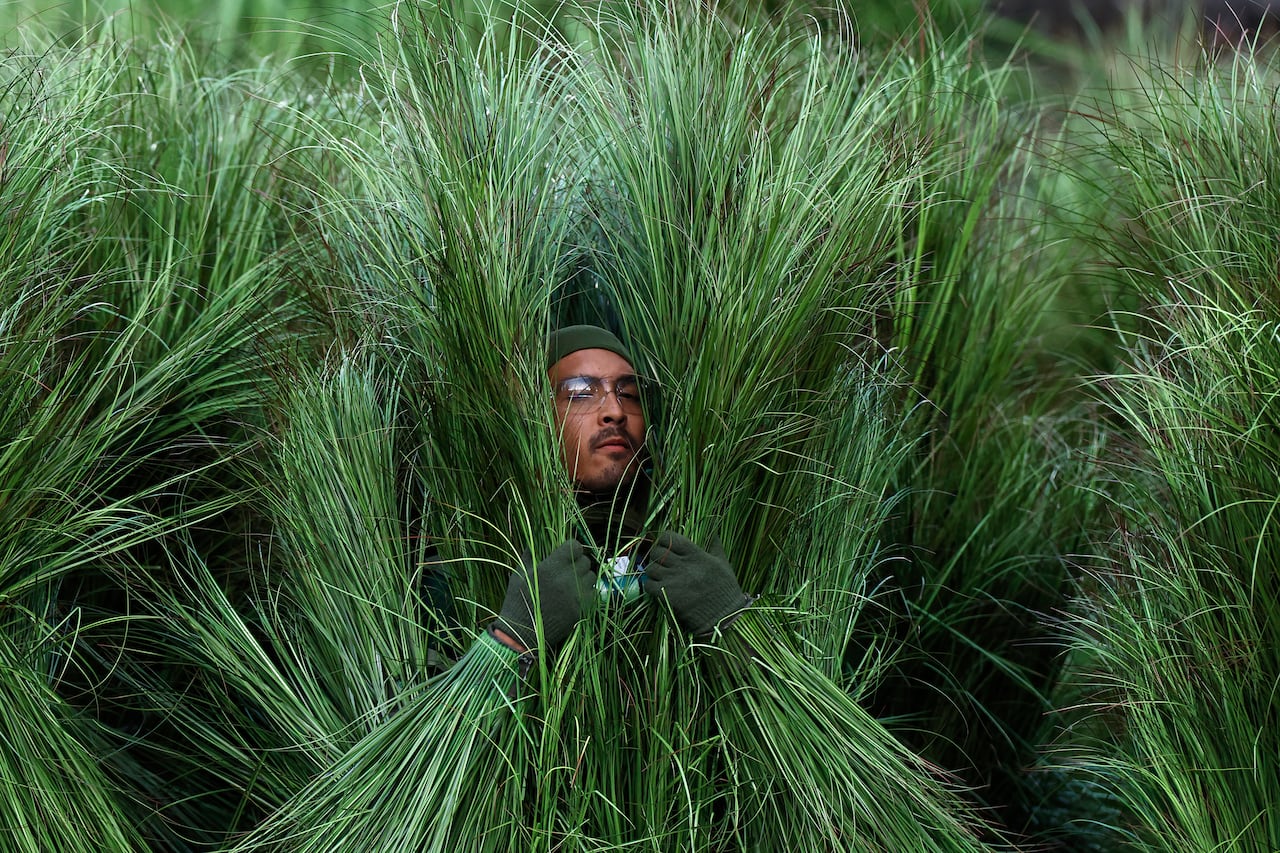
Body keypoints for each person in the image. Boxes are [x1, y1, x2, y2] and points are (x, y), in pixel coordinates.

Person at [487, 323, 753, 659]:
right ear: (535, 420)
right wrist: (515, 638)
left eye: (629, 395)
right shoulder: (486, 547)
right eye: (582, 392)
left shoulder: (704, 540)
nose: (615, 412)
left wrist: (728, 617)